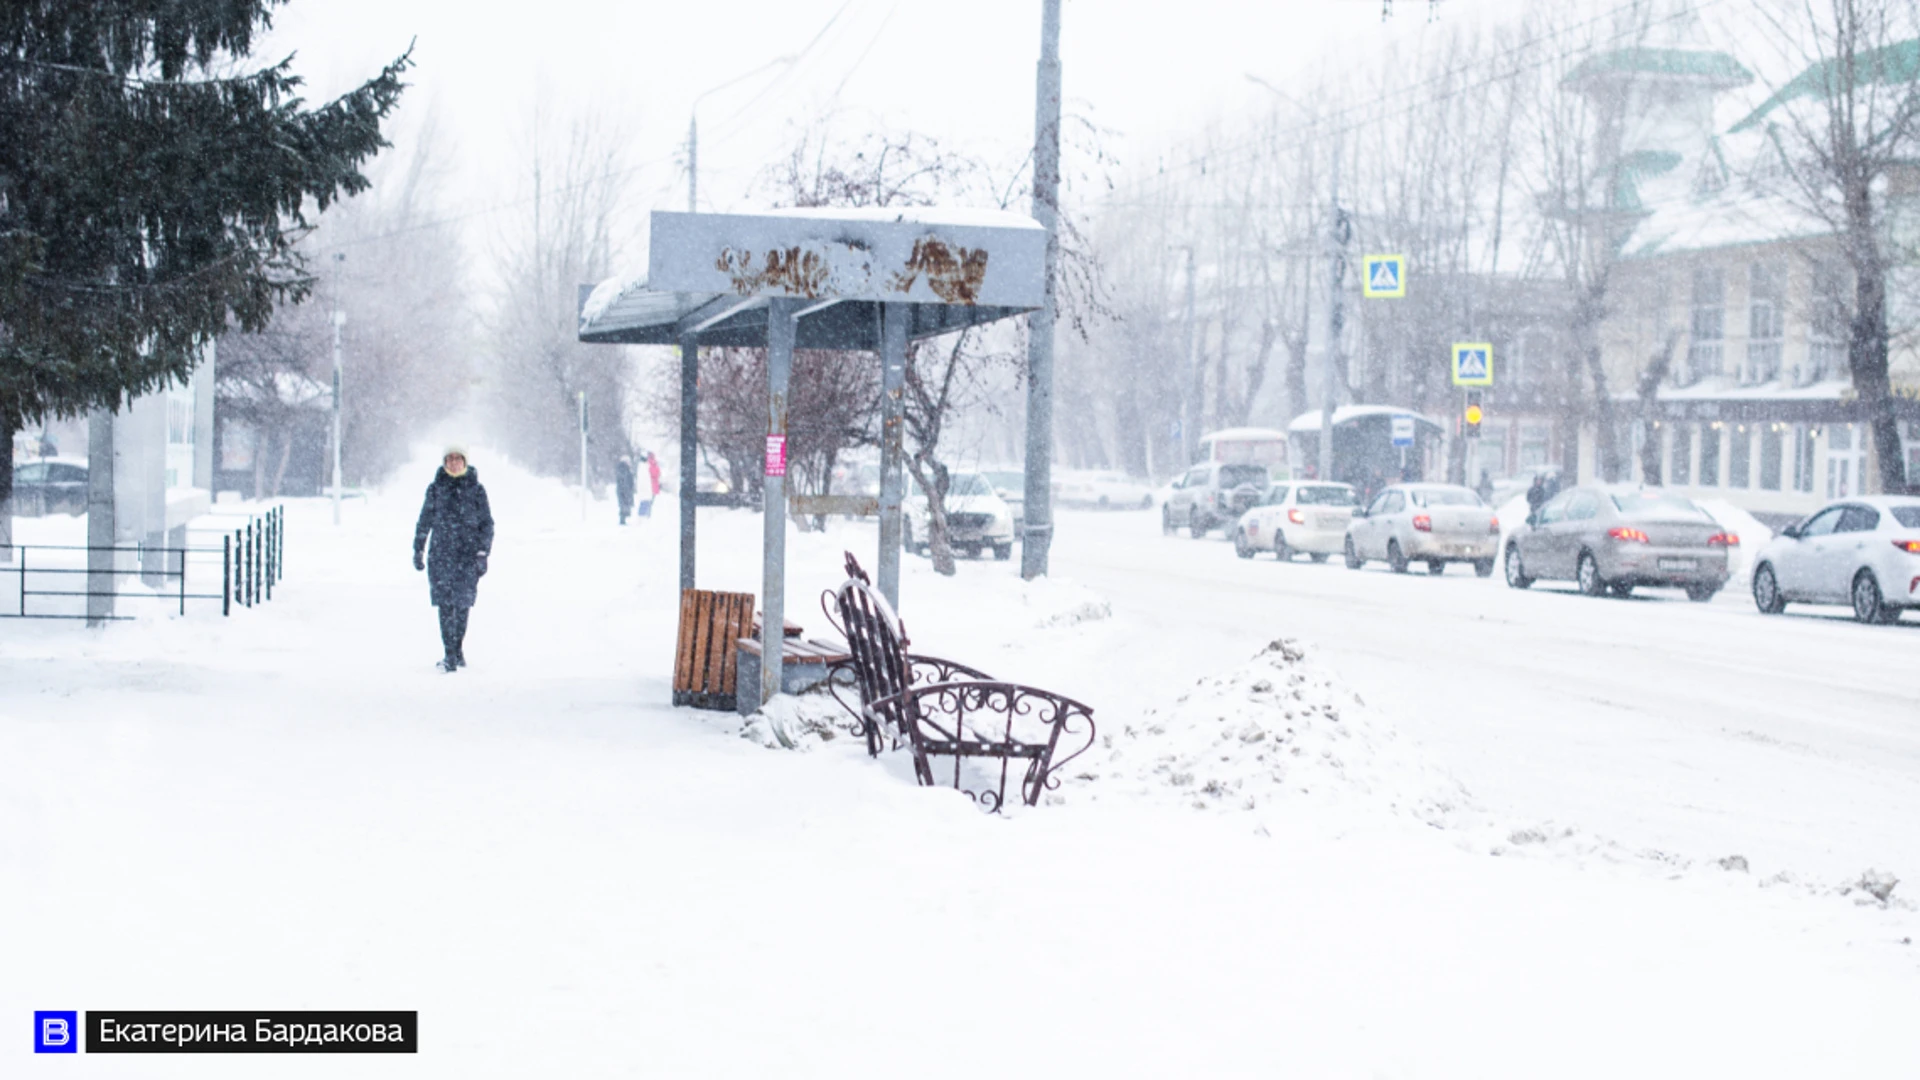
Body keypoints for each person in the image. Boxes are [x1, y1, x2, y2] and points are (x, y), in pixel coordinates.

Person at [414, 447, 493, 673]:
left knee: (463, 604)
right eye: (450, 459)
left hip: (467, 557)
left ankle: (457, 649)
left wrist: (482, 553)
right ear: (444, 463)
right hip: (441, 555)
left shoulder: (477, 491)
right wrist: (418, 549)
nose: (454, 463)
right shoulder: (436, 489)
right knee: (445, 605)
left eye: (458, 459)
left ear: (465, 462)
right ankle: (449, 654)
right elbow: (424, 520)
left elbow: (487, 524)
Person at [614, 456, 636, 525]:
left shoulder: (624, 469)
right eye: (628, 461)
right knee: (624, 505)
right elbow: (624, 481)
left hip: (623, 490)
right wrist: (627, 489)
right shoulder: (624, 469)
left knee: (624, 505)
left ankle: (623, 519)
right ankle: (622, 520)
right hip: (624, 490)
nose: (630, 463)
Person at [640, 450, 661, 518]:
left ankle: (646, 515)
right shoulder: (652, 464)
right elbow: (656, 473)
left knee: (648, 501)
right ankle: (647, 515)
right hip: (652, 485)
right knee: (649, 502)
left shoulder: (647, 464)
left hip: (650, 485)